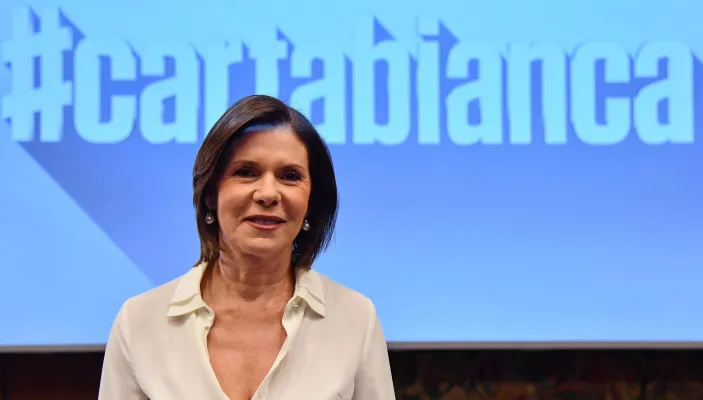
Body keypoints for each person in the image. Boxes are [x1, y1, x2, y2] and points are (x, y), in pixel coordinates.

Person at [97, 95, 396, 400]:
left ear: (311, 202)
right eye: (246, 172)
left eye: (290, 176)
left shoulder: (355, 319)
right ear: (210, 194)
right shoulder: (139, 321)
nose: (268, 194)